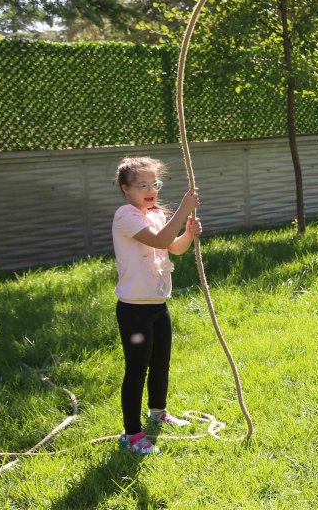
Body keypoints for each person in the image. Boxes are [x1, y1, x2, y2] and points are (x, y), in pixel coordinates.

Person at [111, 156, 202, 455]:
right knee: (137, 369)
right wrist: (184, 209)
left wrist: (188, 233)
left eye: (155, 184)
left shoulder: (156, 215)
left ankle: (157, 412)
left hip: (158, 304)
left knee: (161, 363)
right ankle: (132, 433)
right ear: (126, 188)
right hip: (134, 309)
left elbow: (173, 247)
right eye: (142, 185)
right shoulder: (125, 216)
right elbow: (161, 241)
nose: (151, 190)